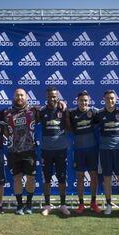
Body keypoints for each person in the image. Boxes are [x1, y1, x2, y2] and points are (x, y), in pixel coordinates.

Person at [96, 90, 119, 216]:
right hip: (105, 150)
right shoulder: (99, 114)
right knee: (107, 178)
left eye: (112, 98)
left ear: (116, 99)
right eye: (108, 98)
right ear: (104, 99)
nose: (110, 101)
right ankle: (109, 205)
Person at [39, 87, 71, 216]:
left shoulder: (63, 109)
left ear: (58, 96)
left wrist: (66, 110)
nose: (52, 98)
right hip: (46, 150)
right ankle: (47, 205)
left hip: (60, 150)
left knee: (62, 178)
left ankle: (63, 205)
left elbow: (69, 127)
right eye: (50, 96)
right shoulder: (41, 111)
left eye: (54, 96)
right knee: (46, 178)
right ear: (46, 97)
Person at [69, 90, 101, 214]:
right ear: (77, 101)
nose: (83, 102)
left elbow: (105, 115)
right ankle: (81, 204)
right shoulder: (71, 113)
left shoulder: (94, 112)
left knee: (93, 175)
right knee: (80, 177)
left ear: (89, 101)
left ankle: (93, 202)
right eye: (81, 100)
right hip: (78, 150)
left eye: (86, 100)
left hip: (92, 149)